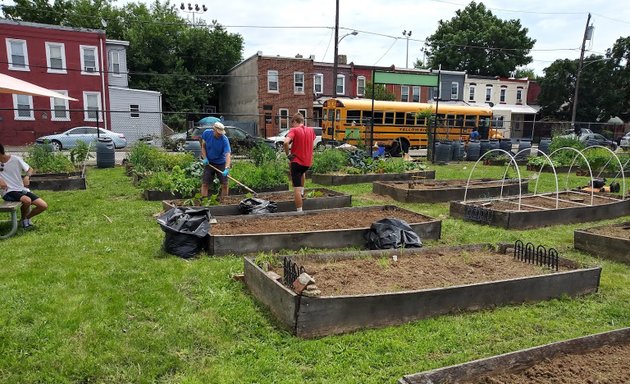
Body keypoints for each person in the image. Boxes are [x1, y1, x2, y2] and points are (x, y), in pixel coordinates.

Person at [0, 143, 48, 229]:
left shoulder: (15, 159)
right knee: (27, 200)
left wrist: (27, 176)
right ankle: (24, 221)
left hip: (20, 189)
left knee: (43, 206)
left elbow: (30, 169)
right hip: (7, 191)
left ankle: (25, 219)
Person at [284, 113, 316, 212]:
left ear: (295, 121)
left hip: (296, 162)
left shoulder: (294, 130)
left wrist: (288, 154)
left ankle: (299, 211)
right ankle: (302, 192)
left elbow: (285, 142)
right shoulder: (311, 130)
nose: (292, 126)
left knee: (296, 189)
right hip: (307, 163)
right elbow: (312, 142)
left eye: (292, 123)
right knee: (302, 173)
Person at [200, 122, 231, 200]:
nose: (220, 134)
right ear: (214, 130)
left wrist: (227, 168)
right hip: (209, 163)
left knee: (224, 184)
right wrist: (205, 158)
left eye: (221, 133)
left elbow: (227, 155)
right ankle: (204, 202)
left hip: (221, 163)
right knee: (205, 184)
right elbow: (203, 146)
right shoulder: (206, 133)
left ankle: (224, 201)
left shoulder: (224, 139)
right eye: (218, 133)